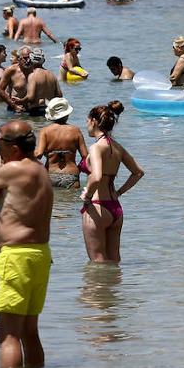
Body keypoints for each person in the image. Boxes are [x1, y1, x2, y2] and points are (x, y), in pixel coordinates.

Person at [0, 121, 54, 368]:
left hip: (16, 256)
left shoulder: (13, 168)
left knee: (8, 334)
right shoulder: (40, 170)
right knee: (29, 331)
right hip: (40, 254)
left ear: (15, 149)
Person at [80, 102, 144, 263]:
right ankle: (114, 288)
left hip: (97, 206)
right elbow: (138, 172)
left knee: (97, 261)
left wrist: (87, 194)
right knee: (114, 260)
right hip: (115, 208)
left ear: (94, 121)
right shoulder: (117, 147)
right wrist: (119, 192)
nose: (86, 125)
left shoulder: (96, 148)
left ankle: (99, 289)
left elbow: (96, 176)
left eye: (87, 121)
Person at [35, 97, 88, 189]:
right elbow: (86, 156)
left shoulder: (45, 131)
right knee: (69, 203)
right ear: (67, 114)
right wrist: (78, 169)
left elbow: (39, 154)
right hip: (71, 174)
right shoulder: (76, 131)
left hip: (50, 174)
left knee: (54, 203)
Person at [20, 50, 62, 117]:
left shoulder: (33, 75)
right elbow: (59, 95)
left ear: (30, 60)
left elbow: (30, 97)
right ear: (43, 61)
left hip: (36, 111)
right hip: (50, 110)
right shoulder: (52, 75)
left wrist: (19, 101)